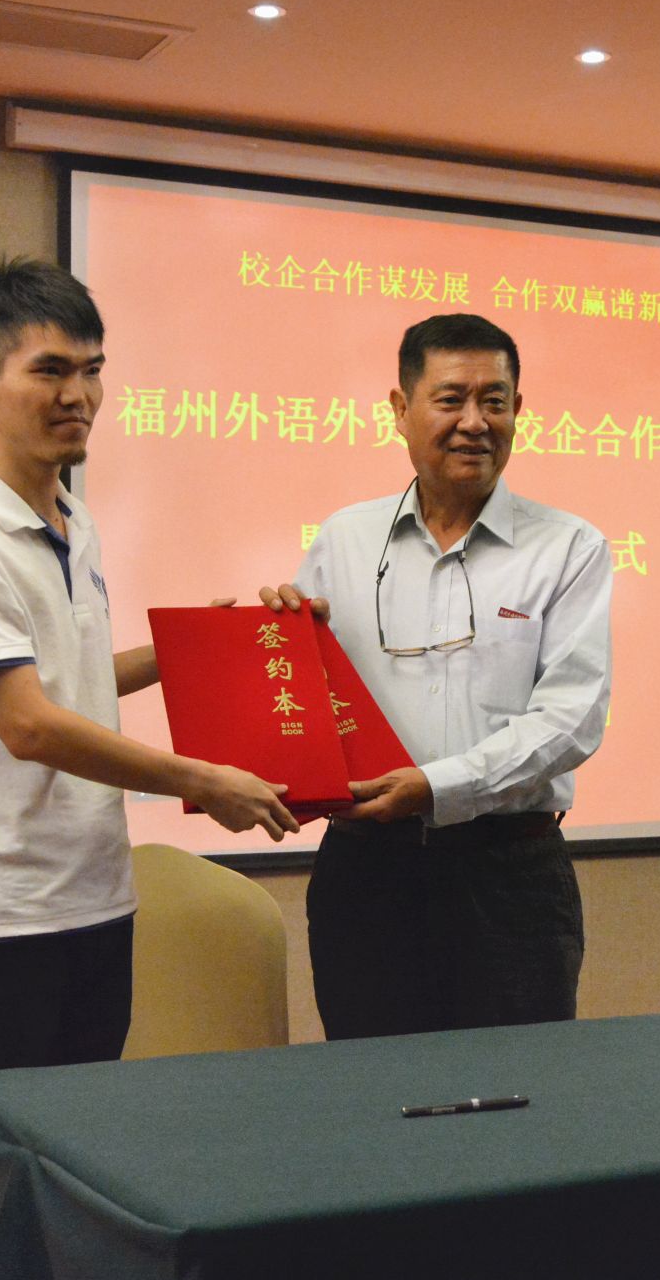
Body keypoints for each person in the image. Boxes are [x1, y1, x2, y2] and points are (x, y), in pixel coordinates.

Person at [0, 256, 299, 1280]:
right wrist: (197, 777)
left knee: (66, 1177)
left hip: (93, 905)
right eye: (50, 370)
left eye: (93, 370)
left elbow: (67, 682)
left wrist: (198, 649)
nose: (79, 395)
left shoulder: (74, 516)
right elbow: (26, 723)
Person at [262, 312, 612, 1040]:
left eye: (495, 401)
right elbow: (302, 701)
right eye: (451, 399)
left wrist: (436, 787)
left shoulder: (568, 547)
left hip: (510, 877)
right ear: (401, 409)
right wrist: (281, 639)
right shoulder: (344, 539)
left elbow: (572, 719)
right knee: (374, 1088)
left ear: (518, 409)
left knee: (519, 1089)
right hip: (365, 875)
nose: (474, 422)